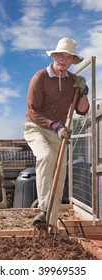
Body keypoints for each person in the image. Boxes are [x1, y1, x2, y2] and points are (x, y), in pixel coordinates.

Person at [23, 37, 89, 230]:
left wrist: (83, 92)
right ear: (55, 56)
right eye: (61, 55)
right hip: (36, 127)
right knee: (46, 156)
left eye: (69, 57)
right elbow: (32, 111)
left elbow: (83, 110)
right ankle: (43, 209)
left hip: (59, 132)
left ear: (72, 61)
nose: (64, 60)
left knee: (59, 177)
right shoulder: (40, 78)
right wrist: (56, 126)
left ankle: (50, 226)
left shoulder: (72, 82)